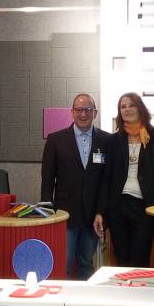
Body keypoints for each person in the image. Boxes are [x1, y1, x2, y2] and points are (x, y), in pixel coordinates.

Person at [94, 92, 154, 267]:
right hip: (117, 207)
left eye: (131, 105)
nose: (127, 110)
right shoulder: (113, 141)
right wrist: (100, 211)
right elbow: (106, 179)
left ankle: (139, 284)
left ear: (140, 108)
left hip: (145, 206)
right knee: (121, 258)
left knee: (140, 258)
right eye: (123, 107)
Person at [41, 94, 110, 280]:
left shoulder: (106, 140)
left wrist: (101, 212)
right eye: (79, 110)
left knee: (86, 264)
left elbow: (106, 181)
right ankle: (62, 299)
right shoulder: (56, 140)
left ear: (95, 113)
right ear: (72, 112)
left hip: (93, 217)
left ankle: (83, 298)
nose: (83, 114)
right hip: (65, 214)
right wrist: (47, 211)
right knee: (64, 263)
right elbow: (47, 179)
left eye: (88, 109)